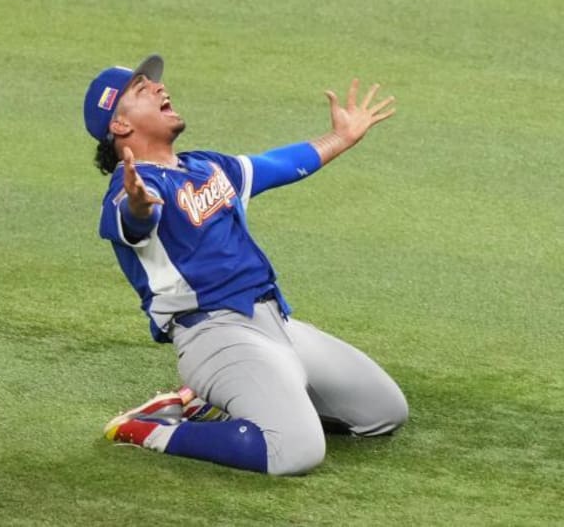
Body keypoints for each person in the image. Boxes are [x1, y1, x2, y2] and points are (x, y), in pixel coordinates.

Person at [83, 54, 408, 473]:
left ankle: (205, 403)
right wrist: (140, 207)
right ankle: (146, 428)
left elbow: (278, 164)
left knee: (384, 412)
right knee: (295, 451)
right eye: (142, 90)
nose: (161, 88)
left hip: (279, 325)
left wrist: (339, 138)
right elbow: (134, 219)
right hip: (216, 337)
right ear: (120, 125)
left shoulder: (206, 165)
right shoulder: (127, 191)